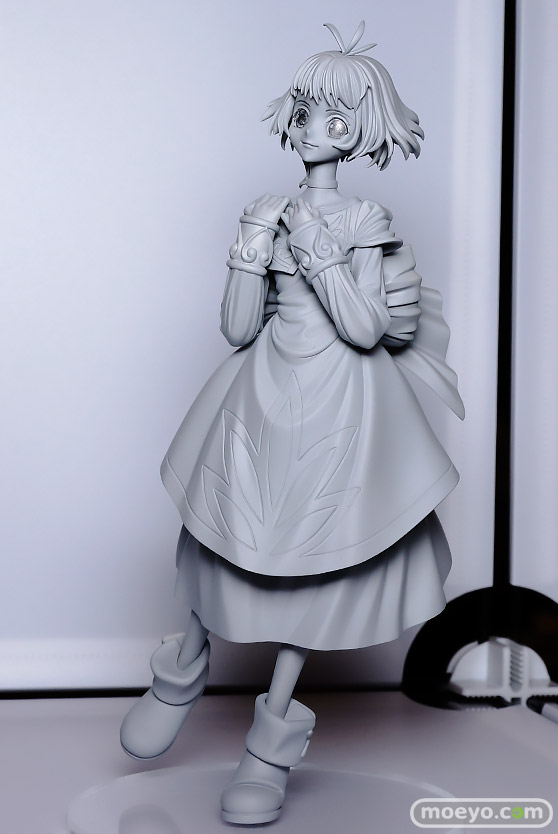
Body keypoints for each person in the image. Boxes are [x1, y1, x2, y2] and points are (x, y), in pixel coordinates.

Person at [120, 21, 464, 825]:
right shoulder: (268, 211)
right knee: (218, 528)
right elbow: (238, 327)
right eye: (307, 108)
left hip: (343, 398)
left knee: (320, 561)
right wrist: (251, 244)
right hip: (262, 387)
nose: (315, 125)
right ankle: (184, 666)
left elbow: (367, 329)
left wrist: (316, 247)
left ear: (358, 129)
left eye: (334, 114)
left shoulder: (367, 219)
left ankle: (270, 742)